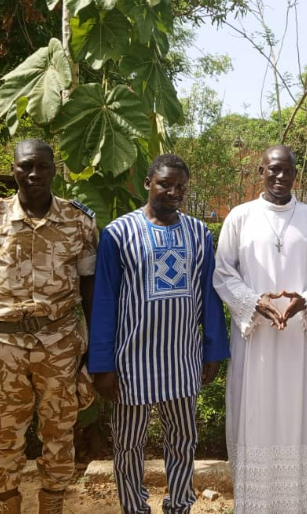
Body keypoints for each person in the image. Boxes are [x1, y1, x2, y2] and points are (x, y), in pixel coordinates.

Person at [0, 139, 98, 514]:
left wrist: (96, 352)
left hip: (60, 344)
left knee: (59, 433)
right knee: (2, 435)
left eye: (42, 166)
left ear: (54, 169)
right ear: (13, 169)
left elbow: (90, 287)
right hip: (4, 347)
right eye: (25, 166)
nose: (33, 174)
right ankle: (7, 506)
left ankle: (52, 507)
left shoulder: (79, 221)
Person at [88, 154, 230, 514]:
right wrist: (102, 364)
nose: (173, 191)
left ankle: (179, 505)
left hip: (182, 358)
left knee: (183, 441)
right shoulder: (118, 233)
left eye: (181, 186)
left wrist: (213, 350)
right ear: (148, 182)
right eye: (165, 183)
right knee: (128, 444)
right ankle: (134, 508)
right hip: (131, 361)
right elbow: (104, 300)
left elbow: (209, 294)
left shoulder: (199, 233)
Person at [213, 145, 307, 514]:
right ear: (260, 172)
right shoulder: (240, 217)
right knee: (255, 413)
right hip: (255, 339)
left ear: (296, 173)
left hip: (299, 340)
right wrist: (253, 303)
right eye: (273, 169)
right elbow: (223, 272)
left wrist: (305, 301)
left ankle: (297, 507)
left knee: (298, 412)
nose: (280, 176)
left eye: (287, 170)